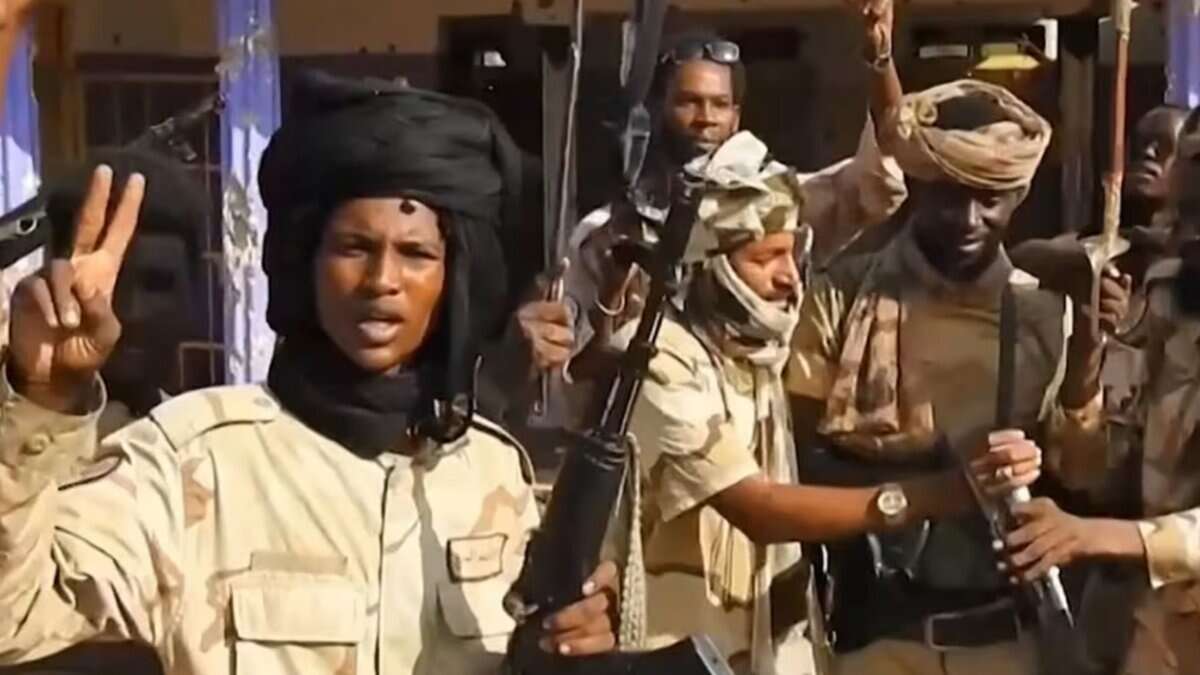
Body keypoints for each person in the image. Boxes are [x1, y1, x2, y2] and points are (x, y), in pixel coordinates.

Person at [0, 71, 614, 674]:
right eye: (354, 248)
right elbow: (16, 624)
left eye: (416, 254)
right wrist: (40, 398)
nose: (381, 282)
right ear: (306, 261)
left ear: (453, 278)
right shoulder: (191, 460)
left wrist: (574, 638)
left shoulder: (491, 472)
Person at [618, 129, 1042, 675]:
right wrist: (949, 492)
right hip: (680, 645)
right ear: (710, 262)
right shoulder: (662, 359)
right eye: (765, 258)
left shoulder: (757, 354)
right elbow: (759, 510)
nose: (789, 278)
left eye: (793, 255)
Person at [785, 80, 1129, 674]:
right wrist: (925, 487)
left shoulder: (1047, 313)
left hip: (1003, 641)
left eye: (988, 198)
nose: (969, 218)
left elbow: (1083, 474)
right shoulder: (842, 296)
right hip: (872, 638)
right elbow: (797, 460)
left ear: (1015, 196)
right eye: (949, 197)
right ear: (917, 187)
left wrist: (1087, 361)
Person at [517, 0, 909, 413]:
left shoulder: (774, 204)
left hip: (751, 430)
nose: (706, 118)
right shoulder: (610, 230)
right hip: (652, 433)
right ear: (657, 110)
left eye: (719, 105)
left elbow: (879, 177)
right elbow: (575, 380)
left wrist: (880, 62)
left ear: (736, 117)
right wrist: (614, 295)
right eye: (689, 102)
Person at [1003, 108, 1200, 675]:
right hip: (1156, 625)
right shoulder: (1170, 297)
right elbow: (1095, 470)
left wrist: (1096, 537)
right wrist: (1085, 370)